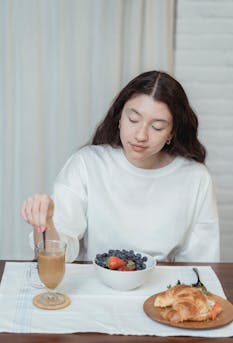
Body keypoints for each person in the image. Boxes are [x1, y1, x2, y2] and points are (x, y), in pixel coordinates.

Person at [21, 71, 220, 263]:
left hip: (161, 292)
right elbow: (57, 253)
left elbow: (201, 263)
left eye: (157, 127)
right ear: (119, 118)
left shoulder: (195, 178)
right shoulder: (87, 164)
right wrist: (45, 224)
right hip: (96, 285)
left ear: (172, 133)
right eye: (133, 119)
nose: (141, 135)